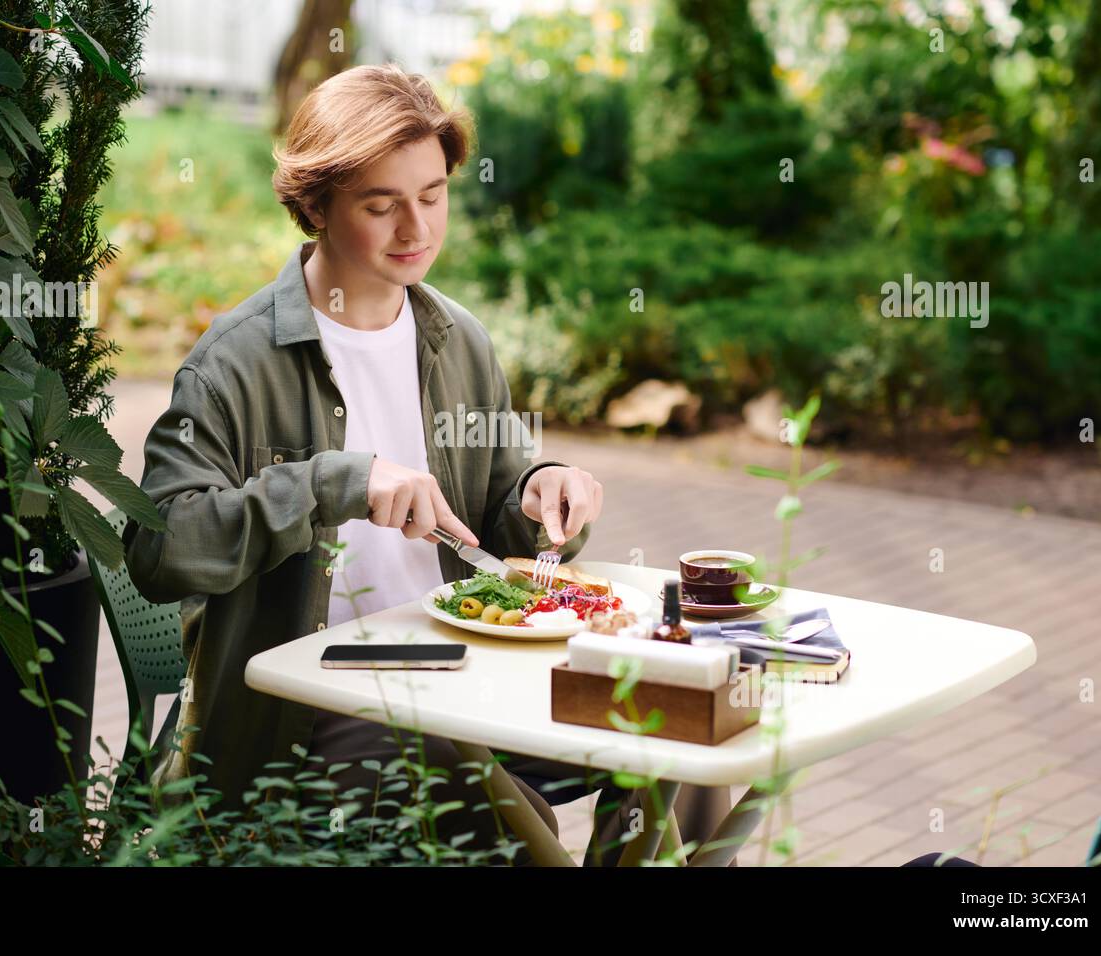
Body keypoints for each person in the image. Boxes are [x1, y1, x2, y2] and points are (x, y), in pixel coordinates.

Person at [123, 62, 732, 865]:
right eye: (381, 205)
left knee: (678, 718)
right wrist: (337, 481)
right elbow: (160, 547)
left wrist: (542, 494)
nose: (417, 230)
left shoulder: (458, 340)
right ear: (315, 206)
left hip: (470, 676)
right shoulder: (234, 365)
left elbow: (498, 514)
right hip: (306, 710)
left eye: (433, 195)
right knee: (457, 773)